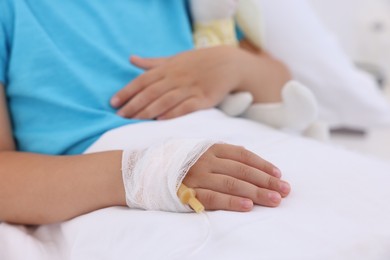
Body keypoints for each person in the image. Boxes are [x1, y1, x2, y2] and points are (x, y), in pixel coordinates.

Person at [0, 0, 291, 225]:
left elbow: (284, 90)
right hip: (105, 186)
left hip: (246, 147)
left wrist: (233, 65)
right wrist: (148, 172)